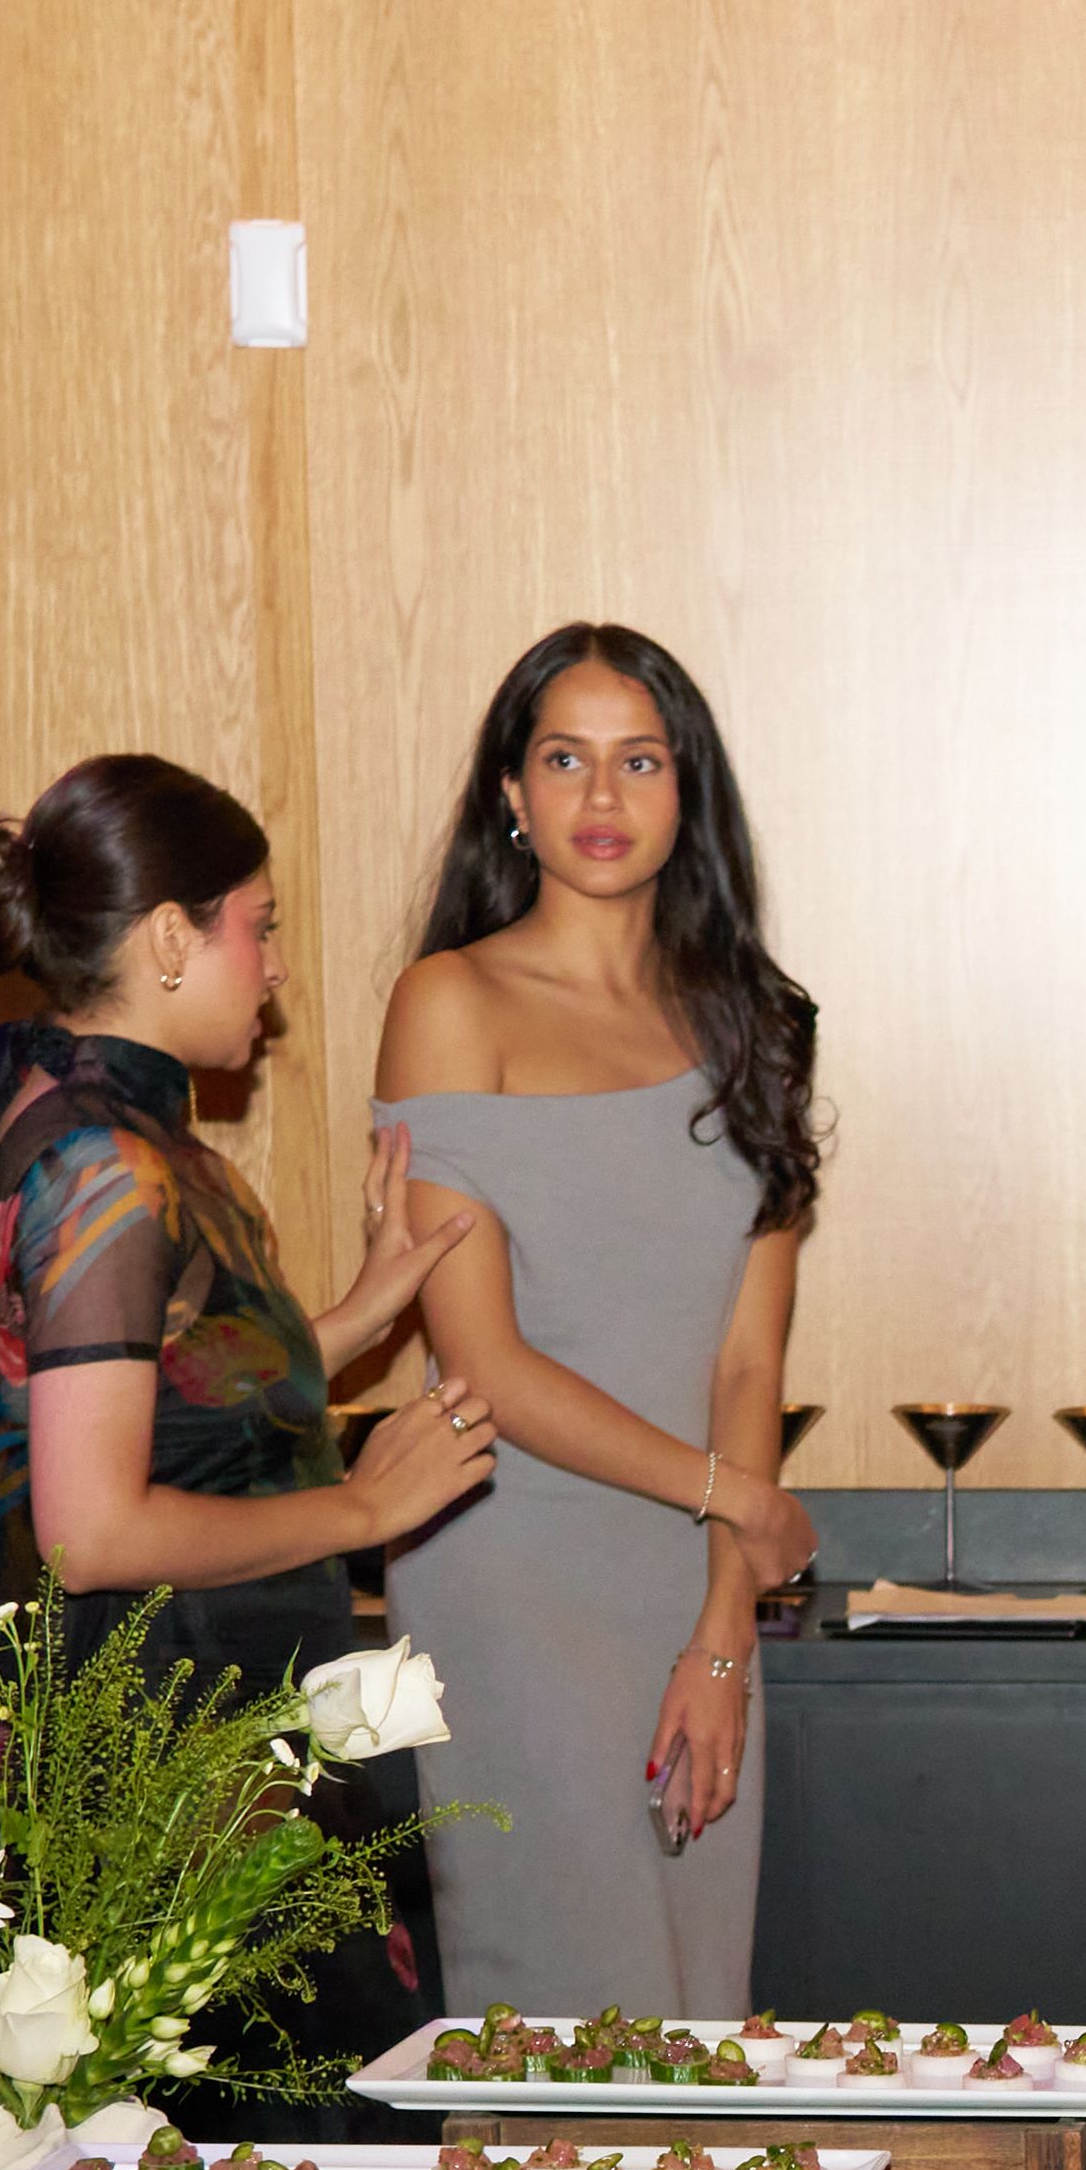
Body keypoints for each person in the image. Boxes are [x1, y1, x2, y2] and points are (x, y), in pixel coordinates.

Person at [0, 758, 496, 1980]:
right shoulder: (105, 1163)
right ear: (168, 937)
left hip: (195, 1732)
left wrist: (361, 1310)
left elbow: (165, 1408)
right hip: (168, 1751)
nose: (274, 967)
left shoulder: (112, 1133)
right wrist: (365, 1505)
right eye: (255, 927)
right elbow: (91, 1531)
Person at [372, 626, 824, 2017]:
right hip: (514, 1572)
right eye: (565, 759)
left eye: (641, 761)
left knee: (692, 2019)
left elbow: (748, 1355)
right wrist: (735, 1496)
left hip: (693, 1584)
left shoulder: (754, 1017)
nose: (603, 798)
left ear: (688, 792)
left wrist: (724, 1623)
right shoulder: (452, 1000)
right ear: (512, 791)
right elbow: (485, 1365)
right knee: (567, 2021)